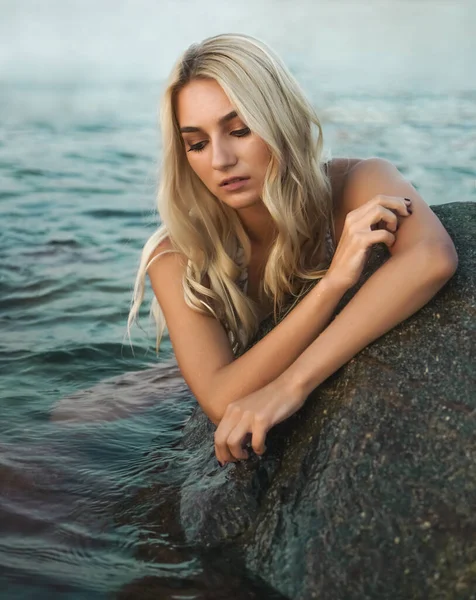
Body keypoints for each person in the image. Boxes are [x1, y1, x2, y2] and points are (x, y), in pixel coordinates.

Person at [128, 33, 458, 467]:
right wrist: (335, 281)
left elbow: (431, 258)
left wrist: (292, 385)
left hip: (234, 366)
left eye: (240, 130)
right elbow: (219, 400)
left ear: (277, 119)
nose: (221, 159)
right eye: (198, 143)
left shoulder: (358, 182)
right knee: (70, 418)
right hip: (192, 375)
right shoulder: (176, 253)